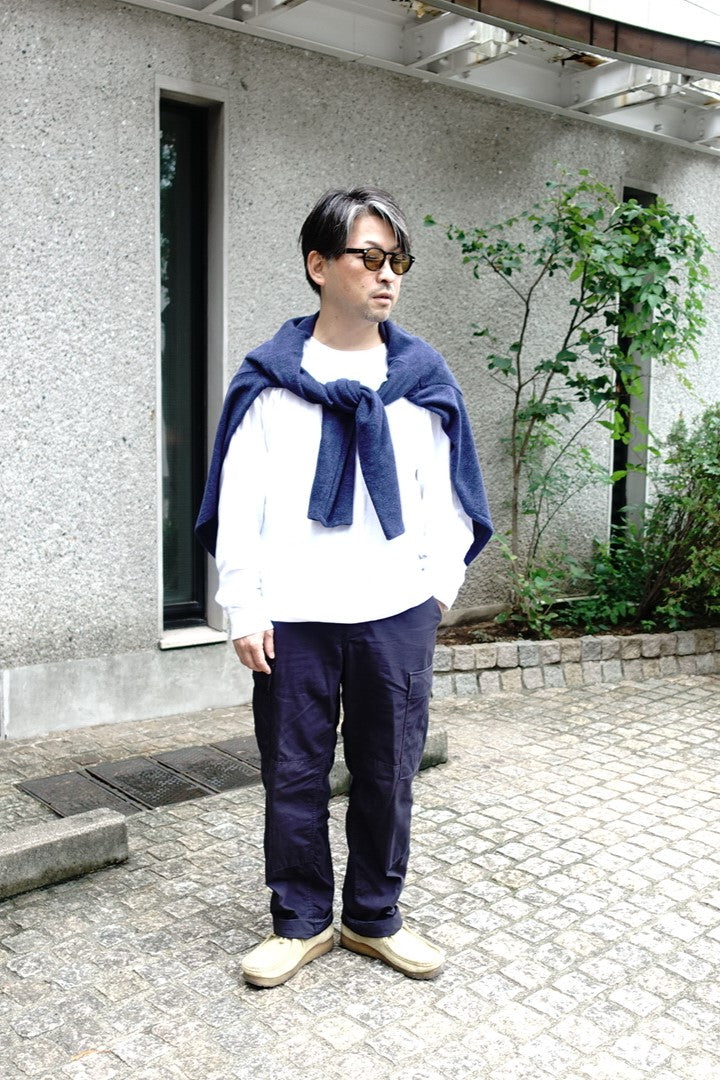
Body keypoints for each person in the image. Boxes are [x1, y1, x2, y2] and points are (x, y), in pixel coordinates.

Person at [196, 187, 492, 988]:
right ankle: (298, 923)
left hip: (394, 613)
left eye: (399, 260)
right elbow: (240, 504)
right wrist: (245, 607)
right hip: (292, 616)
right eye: (370, 256)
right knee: (293, 775)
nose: (388, 274)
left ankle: (372, 918)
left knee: (389, 774)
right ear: (319, 265)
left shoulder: (421, 379)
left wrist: (435, 593)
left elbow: (451, 500)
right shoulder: (269, 382)